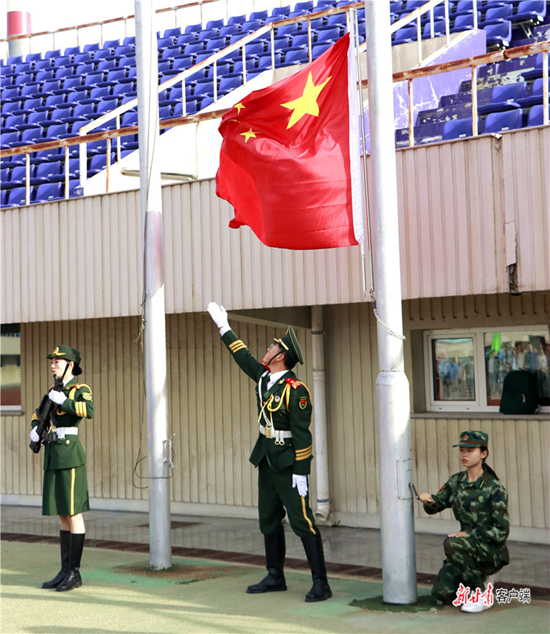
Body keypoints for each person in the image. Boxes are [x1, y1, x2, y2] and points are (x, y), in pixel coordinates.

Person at [207, 302, 332, 602]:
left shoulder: (296, 389)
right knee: (268, 518)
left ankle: (321, 583)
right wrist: (224, 327)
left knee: (302, 521)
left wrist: (302, 473)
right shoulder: (265, 379)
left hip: (289, 463)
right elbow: (243, 358)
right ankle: (275, 575)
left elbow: (303, 435)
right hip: (266, 457)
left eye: (272, 346)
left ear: (280, 356)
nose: (267, 348)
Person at [418, 430, 509, 613]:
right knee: (442, 593)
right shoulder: (456, 482)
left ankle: (482, 592)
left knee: (452, 543)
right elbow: (439, 502)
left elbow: (501, 531)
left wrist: (470, 534)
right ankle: (475, 577)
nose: (464, 454)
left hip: (489, 550)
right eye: (462, 450)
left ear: (484, 453)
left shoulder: (494, 487)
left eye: (470, 450)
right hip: (465, 547)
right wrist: (429, 501)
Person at [30, 345, 94, 592]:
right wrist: (35, 428)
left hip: (70, 453)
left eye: (57, 361)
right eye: (52, 361)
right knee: (61, 512)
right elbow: (39, 414)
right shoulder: (52, 390)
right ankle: (64, 570)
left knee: (74, 512)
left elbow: (88, 411)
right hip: (53, 452)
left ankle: (75, 573)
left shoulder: (80, 389)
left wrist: (66, 402)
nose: (53, 364)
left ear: (70, 364)